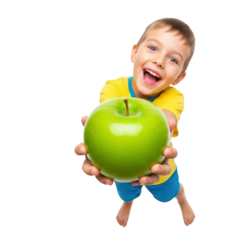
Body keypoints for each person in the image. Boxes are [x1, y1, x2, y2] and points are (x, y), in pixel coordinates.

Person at [73, 17, 197, 228]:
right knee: (125, 191)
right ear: (134, 52)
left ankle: (182, 200)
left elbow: (167, 118)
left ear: (179, 78)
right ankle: (128, 203)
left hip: (161, 168)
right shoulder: (112, 87)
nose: (159, 61)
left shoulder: (175, 97)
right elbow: (105, 114)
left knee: (172, 191)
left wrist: (164, 121)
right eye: (152, 48)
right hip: (119, 167)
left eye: (173, 60)